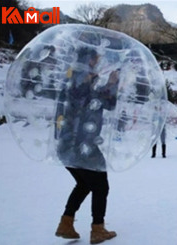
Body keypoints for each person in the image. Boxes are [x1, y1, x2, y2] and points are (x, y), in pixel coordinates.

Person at [54, 47, 118, 244]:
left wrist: (110, 83)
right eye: (95, 59)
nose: (98, 62)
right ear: (89, 60)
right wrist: (110, 84)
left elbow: (104, 103)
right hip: (81, 145)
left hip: (66, 145)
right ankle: (97, 229)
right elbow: (90, 100)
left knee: (84, 183)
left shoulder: (75, 77)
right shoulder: (80, 78)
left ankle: (66, 223)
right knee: (100, 186)